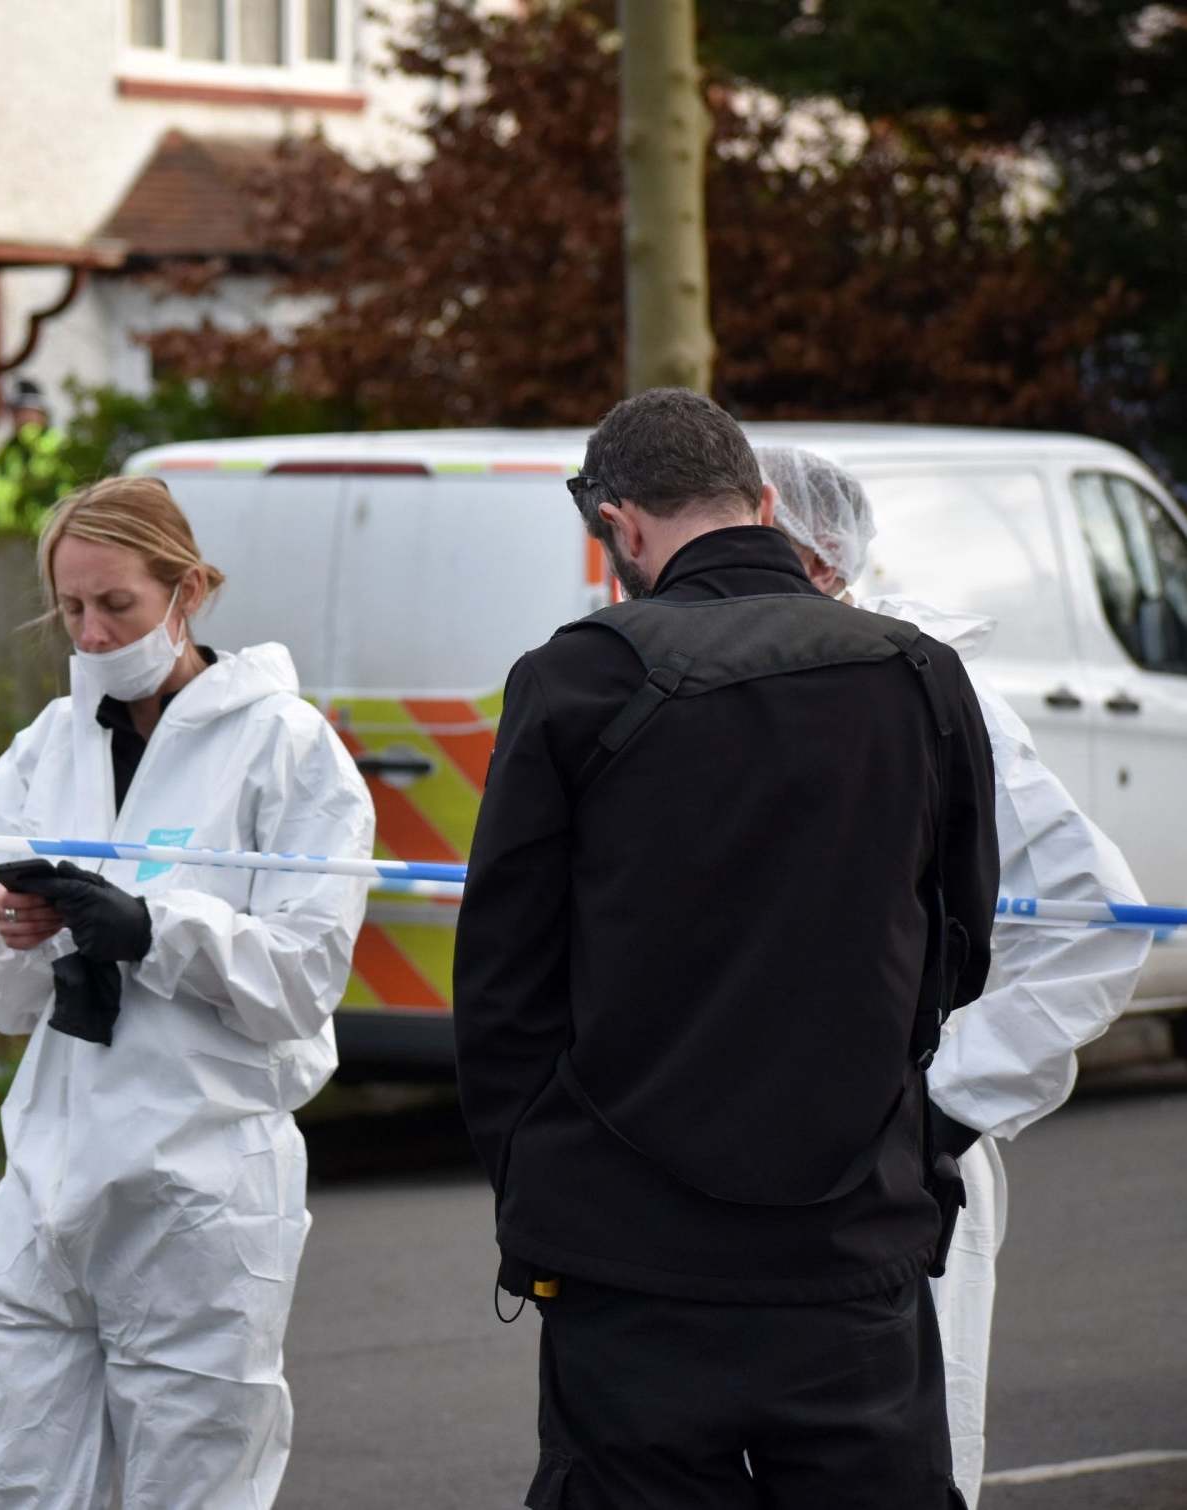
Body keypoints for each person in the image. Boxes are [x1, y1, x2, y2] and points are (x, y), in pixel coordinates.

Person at [453, 388, 999, 1510]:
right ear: (758, 501)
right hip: (851, 1234)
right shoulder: (916, 672)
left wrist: (542, 1177)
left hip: (631, 1250)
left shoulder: (573, 678)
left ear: (620, 526)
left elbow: (503, 983)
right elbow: (960, 940)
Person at [0, 475, 375, 1507]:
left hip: (201, 1191)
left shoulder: (284, 748)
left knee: (195, 1487)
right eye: (73, 609)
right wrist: (17, 937)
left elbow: (306, 979)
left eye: (118, 606)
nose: (92, 634)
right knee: (5, 1483)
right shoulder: (42, 754)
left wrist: (157, 929)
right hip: (46, 1184)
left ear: (188, 590)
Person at [759, 444, 1152, 1507]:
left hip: (888, 1184)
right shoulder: (714, 692)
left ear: (816, 558)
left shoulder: (933, 692)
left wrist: (930, 1107)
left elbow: (1095, 917)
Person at [0, 377, 70, 540]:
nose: (21, 418)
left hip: (46, 539)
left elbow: (68, 496)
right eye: (17, 412)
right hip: (7, 542)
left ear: (42, 413)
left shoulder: (59, 449)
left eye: (26, 411)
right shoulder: (5, 455)